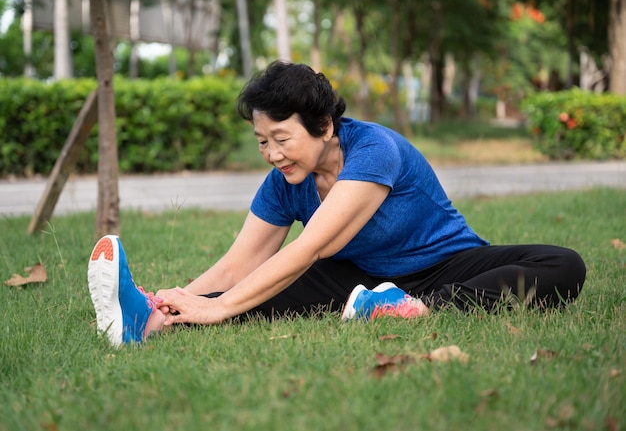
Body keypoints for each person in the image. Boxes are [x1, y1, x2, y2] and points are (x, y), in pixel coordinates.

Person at [87, 60, 586, 347]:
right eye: (262, 141)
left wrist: (218, 312)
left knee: (562, 264)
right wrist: (180, 299)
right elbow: (240, 263)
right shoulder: (285, 179)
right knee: (263, 293)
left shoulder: (374, 150)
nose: (272, 154)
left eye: (281, 138)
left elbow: (308, 250)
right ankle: (144, 320)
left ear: (324, 126)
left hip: (444, 265)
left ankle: (409, 309)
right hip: (356, 277)